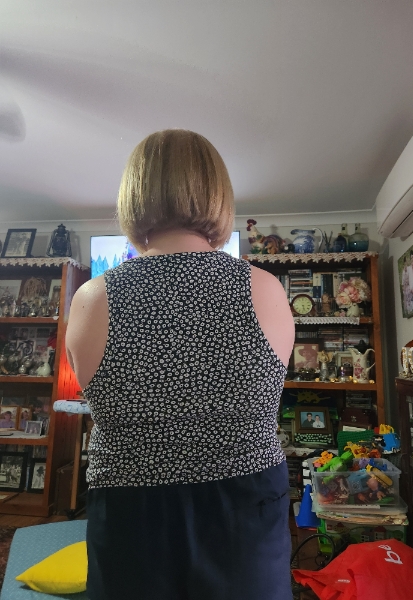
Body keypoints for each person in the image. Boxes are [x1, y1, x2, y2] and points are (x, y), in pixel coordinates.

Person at [65, 129, 295, 600]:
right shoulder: (266, 289)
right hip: (244, 512)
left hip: (133, 515)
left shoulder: (92, 299)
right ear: (217, 193)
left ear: (134, 195)